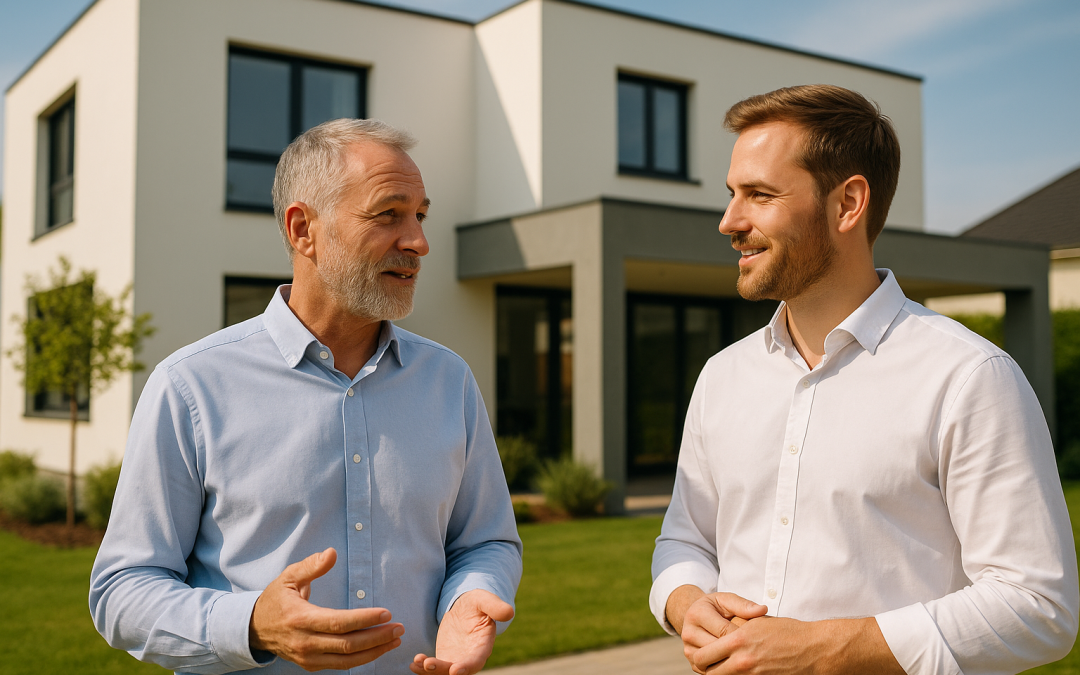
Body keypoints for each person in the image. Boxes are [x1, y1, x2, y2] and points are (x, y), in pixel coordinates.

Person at [650, 84, 1079, 675]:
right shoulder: (722, 377)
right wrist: (686, 602)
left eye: (760, 195)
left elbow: (1038, 608)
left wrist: (823, 649)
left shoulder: (969, 378)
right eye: (732, 194)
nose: (729, 221)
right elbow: (684, 542)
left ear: (848, 203)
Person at [90, 118, 522, 675]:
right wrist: (251, 625)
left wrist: (470, 597)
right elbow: (123, 590)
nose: (418, 241)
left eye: (420, 215)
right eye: (388, 214)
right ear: (302, 230)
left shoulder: (449, 380)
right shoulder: (191, 386)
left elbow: (486, 541)